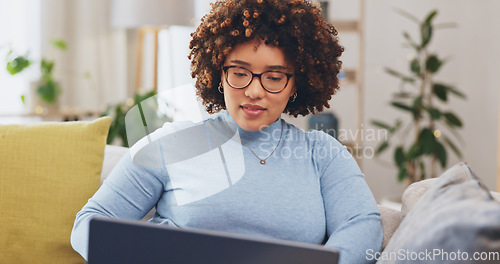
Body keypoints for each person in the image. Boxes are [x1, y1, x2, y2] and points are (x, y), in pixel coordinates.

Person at [71, 0, 383, 263]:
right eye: (239, 73)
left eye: (274, 77)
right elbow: (89, 223)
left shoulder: (322, 154)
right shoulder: (173, 143)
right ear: (219, 75)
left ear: (296, 84)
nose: (254, 91)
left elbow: (362, 225)